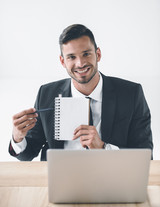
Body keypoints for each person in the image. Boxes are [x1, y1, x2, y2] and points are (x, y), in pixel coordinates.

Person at [9, 24, 153, 161]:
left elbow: (145, 157)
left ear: (98, 54)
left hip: (111, 179)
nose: (80, 63)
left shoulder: (131, 94)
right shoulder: (46, 93)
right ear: (62, 61)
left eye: (86, 54)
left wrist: (103, 148)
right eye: (71, 57)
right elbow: (28, 155)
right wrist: (18, 138)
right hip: (60, 179)